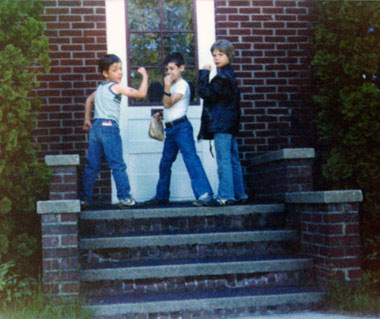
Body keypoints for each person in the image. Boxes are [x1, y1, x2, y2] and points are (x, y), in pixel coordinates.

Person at [145, 52, 214, 207]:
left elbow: (169, 103)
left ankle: (205, 194)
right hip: (171, 130)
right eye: (167, 69)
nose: (169, 72)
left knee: (191, 159)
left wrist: (167, 87)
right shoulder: (173, 86)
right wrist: (162, 114)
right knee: (165, 163)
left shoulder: (182, 85)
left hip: (182, 129)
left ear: (181, 68)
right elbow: (168, 106)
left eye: (172, 69)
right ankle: (161, 196)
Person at [81, 54, 148, 208]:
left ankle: (85, 198)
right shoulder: (116, 87)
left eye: (120, 69)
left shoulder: (99, 88)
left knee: (92, 165)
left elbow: (88, 101)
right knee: (117, 164)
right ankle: (124, 197)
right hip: (109, 128)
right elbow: (141, 94)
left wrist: (87, 120)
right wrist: (144, 76)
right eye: (115, 70)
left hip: (96, 127)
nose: (120, 73)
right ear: (105, 73)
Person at [197, 39, 248, 206]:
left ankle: (226, 195)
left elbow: (206, 93)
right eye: (214, 55)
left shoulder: (222, 78)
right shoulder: (229, 75)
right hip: (230, 124)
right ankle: (240, 193)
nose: (216, 58)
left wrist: (203, 74)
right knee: (233, 159)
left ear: (229, 55)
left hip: (222, 125)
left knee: (224, 159)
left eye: (221, 54)